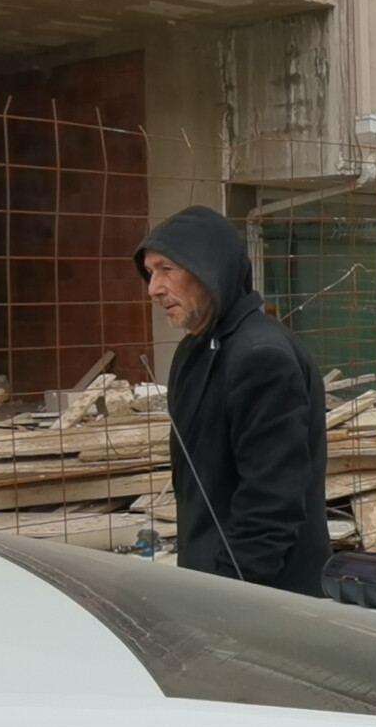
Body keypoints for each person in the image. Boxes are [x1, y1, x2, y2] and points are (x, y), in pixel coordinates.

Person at [135, 206, 330, 594]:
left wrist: (227, 594)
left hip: (265, 600)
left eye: (167, 269)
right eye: (150, 271)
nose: (153, 288)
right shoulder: (197, 350)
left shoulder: (261, 356)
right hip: (217, 586)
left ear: (210, 270)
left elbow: (271, 502)